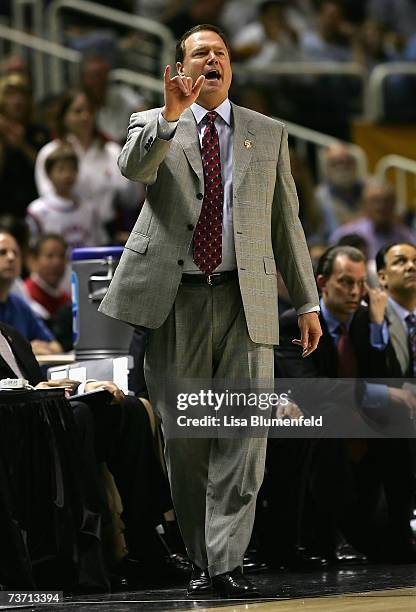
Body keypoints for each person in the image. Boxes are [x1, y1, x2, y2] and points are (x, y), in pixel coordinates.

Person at [99, 24, 321, 599]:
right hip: (176, 299)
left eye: (222, 53)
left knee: (244, 440)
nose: (215, 59)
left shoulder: (267, 133)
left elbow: (286, 223)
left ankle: (224, 563)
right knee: (188, 438)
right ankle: (204, 558)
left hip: (247, 300)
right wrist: (172, 118)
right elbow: (133, 171)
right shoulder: (153, 123)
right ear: (181, 67)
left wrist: (308, 302)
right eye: (202, 53)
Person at [275, 245, 416, 563]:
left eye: (359, 284)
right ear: (322, 283)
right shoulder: (292, 323)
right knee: (333, 414)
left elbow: (390, 383)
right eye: (345, 282)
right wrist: (380, 394)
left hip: (357, 425)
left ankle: (399, 531)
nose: (355, 292)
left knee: (400, 416)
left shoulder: (368, 319)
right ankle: (329, 536)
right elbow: (312, 389)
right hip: (301, 421)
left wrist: (379, 326)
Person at [27, 145, 104, 248]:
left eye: (72, 169)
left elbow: (98, 243)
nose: (67, 175)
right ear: (49, 174)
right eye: (61, 169)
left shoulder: (89, 209)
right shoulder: (37, 211)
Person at [0, 231, 63, 355]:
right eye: (2, 252)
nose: (11, 257)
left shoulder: (19, 305)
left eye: (16, 253)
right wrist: (26, 349)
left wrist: (38, 348)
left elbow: (56, 346)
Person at [331, 178, 416, 260]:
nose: (381, 206)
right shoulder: (346, 235)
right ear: (364, 204)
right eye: (375, 201)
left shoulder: (406, 236)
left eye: (387, 201)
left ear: (394, 205)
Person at [24, 234, 71, 321]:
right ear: (33, 260)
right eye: (50, 256)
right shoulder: (25, 294)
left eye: (61, 256)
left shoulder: (67, 300)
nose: (57, 262)